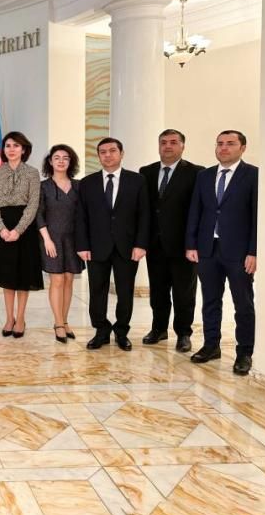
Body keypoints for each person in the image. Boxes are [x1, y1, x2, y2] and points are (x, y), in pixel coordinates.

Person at [186, 130, 258, 375]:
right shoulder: (204, 176)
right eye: (220, 143)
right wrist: (191, 244)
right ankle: (211, 345)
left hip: (239, 252)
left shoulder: (253, 175)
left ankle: (244, 353)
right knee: (210, 300)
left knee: (243, 304)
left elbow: (257, 216)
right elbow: (195, 211)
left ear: (242, 148)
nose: (224, 148)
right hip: (207, 249)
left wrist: (253, 251)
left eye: (230, 143)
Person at [76, 137, 149, 352]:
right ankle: (101, 330)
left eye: (112, 151)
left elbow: (144, 215)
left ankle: (122, 332)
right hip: (96, 247)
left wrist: (141, 244)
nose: (107, 155)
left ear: (121, 153)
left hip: (128, 247)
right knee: (97, 291)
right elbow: (81, 217)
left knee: (125, 292)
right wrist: (82, 245)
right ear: (98, 155)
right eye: (103, 152)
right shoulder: (87, 183)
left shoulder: (137, 181)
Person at [139, 130, 204, 353]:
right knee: (158, 291)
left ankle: (184, 333)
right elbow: (145, 209)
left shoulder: (196, 172)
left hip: (184, 246)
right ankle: (158, 329)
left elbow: (199, 209)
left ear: (182, 146)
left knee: (184, 293)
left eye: (173, 142)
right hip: (155, 244)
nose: (168, 146)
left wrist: (194, 243)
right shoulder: (146, 172)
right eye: (163, 142)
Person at [0, 131, 43, 338]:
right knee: (7, 275)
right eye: (8, 145)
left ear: (24, 150)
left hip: (24, 229)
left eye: (16, 146)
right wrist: (1, 228)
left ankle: (20, 319)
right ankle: (9, 318)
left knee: (23, 276)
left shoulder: (32, 173)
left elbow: (33, 204)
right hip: (2, 226)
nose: (11, 149)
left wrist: (18, 230)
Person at [37, 144, 84, 344]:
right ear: (50, 162)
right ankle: (57, 323)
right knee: (56, 280)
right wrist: (47, 239)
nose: (61, 161)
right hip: (51, 238)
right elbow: (38, 214)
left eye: (65, 157)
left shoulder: (79, 186)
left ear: (70, 161)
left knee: (68, 279)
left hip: (74, 239)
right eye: (57, 157)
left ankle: (65, 321)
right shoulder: (43, 186)